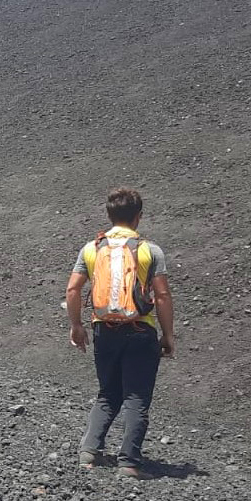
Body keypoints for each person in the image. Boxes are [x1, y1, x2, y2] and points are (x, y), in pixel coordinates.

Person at [64, 187, 175, 479]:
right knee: (136, 396)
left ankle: (89, 452)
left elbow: (73, 289)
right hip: (140, 331)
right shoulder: (150, 250)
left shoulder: (91, 249)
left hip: (104, 330)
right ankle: (128, 462)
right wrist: (168, 335)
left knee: (107, 392)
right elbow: (162, 296)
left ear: (109, 216)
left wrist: (76, 325)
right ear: (138, 217)